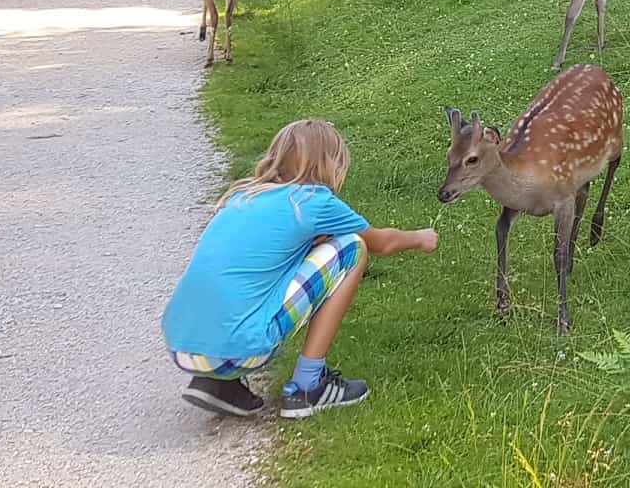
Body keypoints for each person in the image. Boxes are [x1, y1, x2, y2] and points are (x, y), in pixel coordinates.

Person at [161, 119, 439, 419]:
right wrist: (420, 238)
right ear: (331, 163)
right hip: (240, 349)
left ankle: (217, 384)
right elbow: (381, 243)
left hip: (181, 344)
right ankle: (309, 386)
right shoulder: (313, 201)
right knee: (351, 247)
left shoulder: (243, 196)